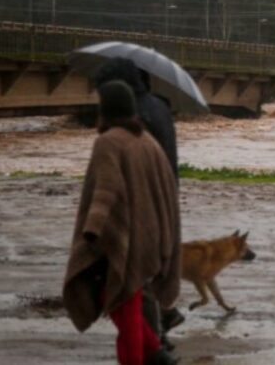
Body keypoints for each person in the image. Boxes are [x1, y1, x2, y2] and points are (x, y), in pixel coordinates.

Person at [63, 81, 181, 365]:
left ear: (107, 108)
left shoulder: (109, 141)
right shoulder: (147, 141)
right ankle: (158, 355)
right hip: (150, 240)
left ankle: (149, 357)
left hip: (120, 241)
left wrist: (92, 230)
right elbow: (166, 189)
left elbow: (106, 190)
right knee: (124, 304)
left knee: (124, 311)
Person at [93, 58, 184, 347]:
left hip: (141, 204)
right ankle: (162, 327)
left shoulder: (134, 120)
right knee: (151, 273)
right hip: (166, 194)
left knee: (132, 281)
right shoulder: (160, 106)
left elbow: (111, 184)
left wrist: (94, 228)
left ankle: (156, 341)